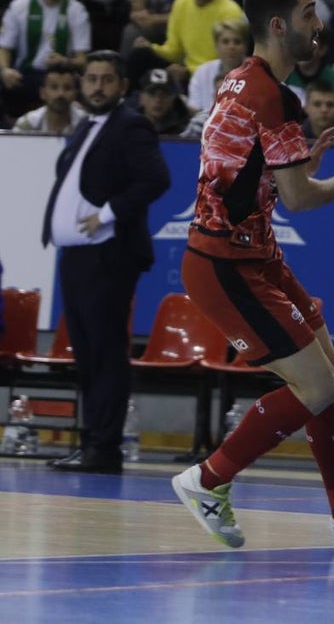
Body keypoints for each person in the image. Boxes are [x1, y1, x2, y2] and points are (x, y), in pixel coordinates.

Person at [172, 0, 334, 549]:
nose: (319, 23)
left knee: (333, 380)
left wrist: (298, 164)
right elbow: (300, 199)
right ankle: (207, 480)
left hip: (254, 255)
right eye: (310, 12)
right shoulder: (271, 95)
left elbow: (250, 171)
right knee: (314, 387)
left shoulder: (240, 82)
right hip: (224, 266)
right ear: (280, 25)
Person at [42, 50, 171, 474]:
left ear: (122, 86)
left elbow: (156, 178)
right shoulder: (87, 127)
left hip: (108, 254)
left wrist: (108, 212)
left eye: (106, 79)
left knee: (105, 351)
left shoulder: (131, 125)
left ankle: (105, 448)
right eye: (91, 78)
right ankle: (92, 441)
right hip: (78, 257)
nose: (97, 86)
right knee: (87, 352)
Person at [130, 0, 244, 89]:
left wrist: (188, 72)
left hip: (214, 75)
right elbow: (174, 50)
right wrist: (151, 47)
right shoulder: (181, 3)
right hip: (184, 68)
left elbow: (227, 60)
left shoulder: (231, 11)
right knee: (140, 53)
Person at [0, 0, 92, 116]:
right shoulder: (20, 6)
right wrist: (5, 70)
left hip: (64, 77)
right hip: (25, 76)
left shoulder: (77, 10)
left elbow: (82, 60)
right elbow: (4, 48)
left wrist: (65, 61)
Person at [12, 63, 86, 134]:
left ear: (75, 94)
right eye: (54, 87)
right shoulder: (27, 125)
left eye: (67, 88)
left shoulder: (86, 123)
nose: (61, 93)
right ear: (42, 93)